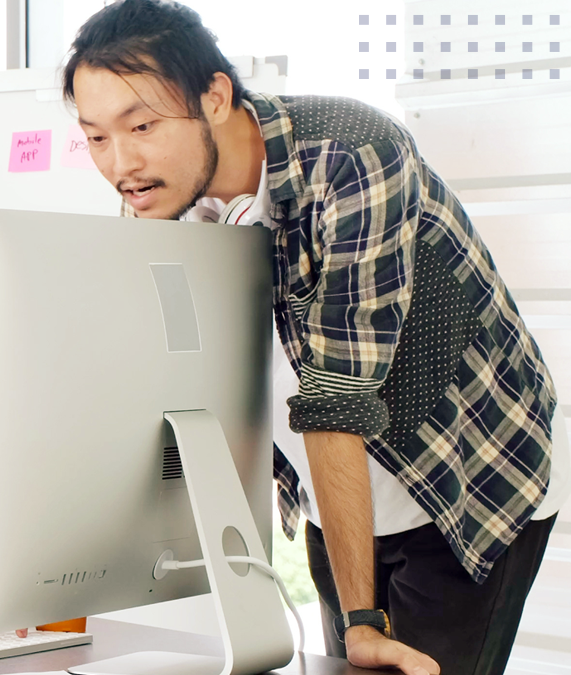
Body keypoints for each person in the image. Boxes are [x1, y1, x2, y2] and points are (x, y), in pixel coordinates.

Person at [61, 2, 570, 674]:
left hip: (467, 479)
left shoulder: (351, 156)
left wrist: (360, 622)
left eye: (143, 125)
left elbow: (335, 391)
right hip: (341, 498)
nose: (120, 164)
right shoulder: (166, 194)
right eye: (96, 137)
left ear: (214, 96)